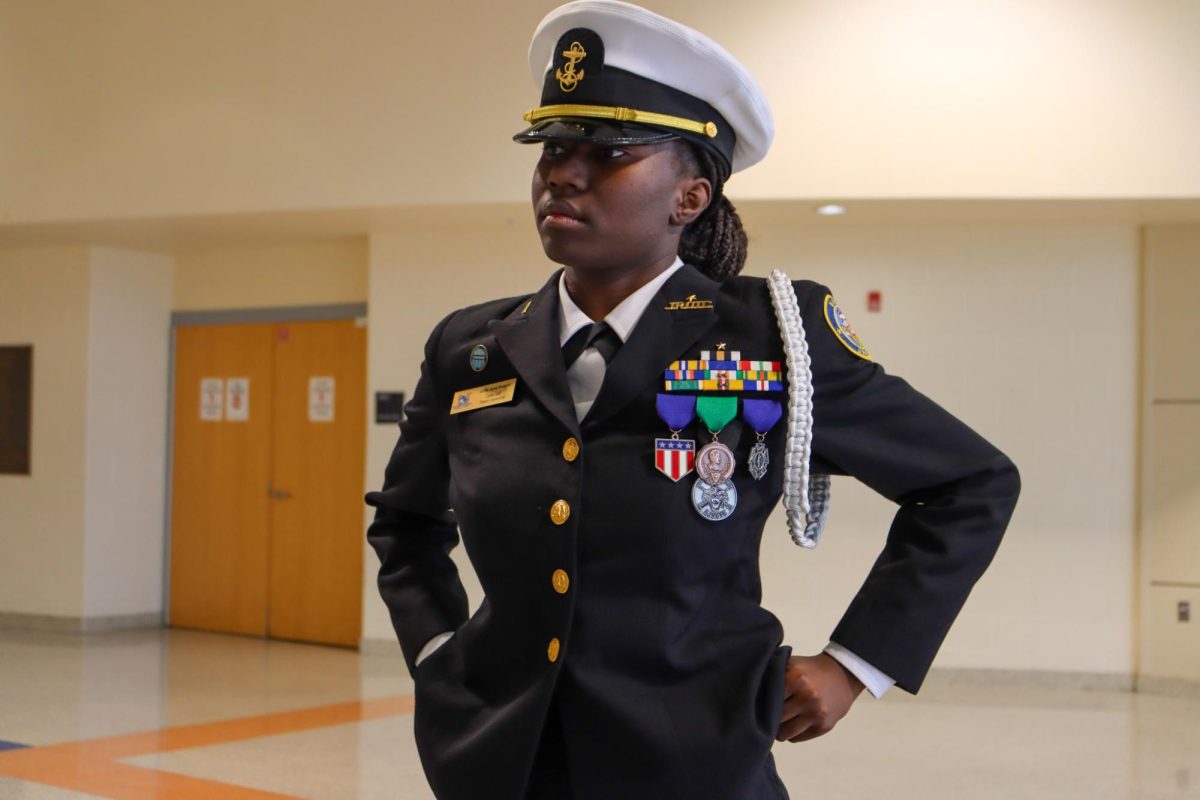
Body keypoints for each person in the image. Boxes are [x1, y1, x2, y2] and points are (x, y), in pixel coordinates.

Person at [366, 2, 1021, 798]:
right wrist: (436, 650)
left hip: (695, 760)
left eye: (607, 152)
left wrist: (858, 664)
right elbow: (406, 524)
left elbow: (969, 482)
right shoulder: (471, 348)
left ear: (691, 197)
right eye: (552, 147)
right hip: (499, 759)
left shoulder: (773, 336)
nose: (562, 173)